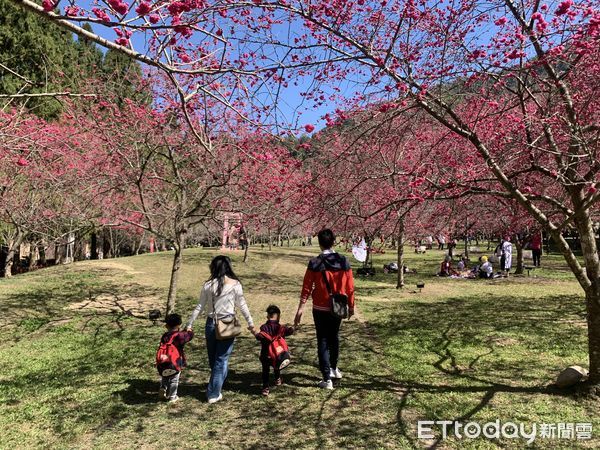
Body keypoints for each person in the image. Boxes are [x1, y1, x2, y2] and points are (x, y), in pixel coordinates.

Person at [186, 256, 255, 404]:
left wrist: (190, 324)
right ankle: (213, 393)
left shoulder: (208, 285)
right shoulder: (235, 284)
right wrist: (250, 323)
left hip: (211, 324)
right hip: (227, 323)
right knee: (220, 359)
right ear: (228, 267)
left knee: (215, 359)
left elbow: (200, 306)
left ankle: (216, 386)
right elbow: (242, 305)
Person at [294, 229, 355, 390]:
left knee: (323, 339)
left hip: (320, 308)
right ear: (333, 241)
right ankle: (334, 369)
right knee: (334, 337)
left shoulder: (315, 263)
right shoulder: (344, 261)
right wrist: (352, 306)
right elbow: (350, 287)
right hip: (339, 306)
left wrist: (300, 309)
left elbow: (306, 287)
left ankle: (326, 378)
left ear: (320, 243)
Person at [256, 305, 295, 396]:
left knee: (265, 371)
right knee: (276, 366)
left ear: (268, 316)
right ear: (278, 316)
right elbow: (289, 331)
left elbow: (259, 337)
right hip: (277, 354)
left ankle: (265, 388)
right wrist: (294, 326)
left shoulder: (264, 327)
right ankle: (277, 379)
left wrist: (254, 332)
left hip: (265, 354)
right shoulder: (280, 328)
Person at [157, 313, 194, 403]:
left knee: (165, 375)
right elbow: (188, 337)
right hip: (175, 361)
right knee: (174, 379)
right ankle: (173, 397)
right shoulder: (179, 335)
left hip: (164, 360)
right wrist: (189, 331)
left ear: (166, 326)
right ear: (179, 325)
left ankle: (163, 387)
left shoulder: (165, 335)